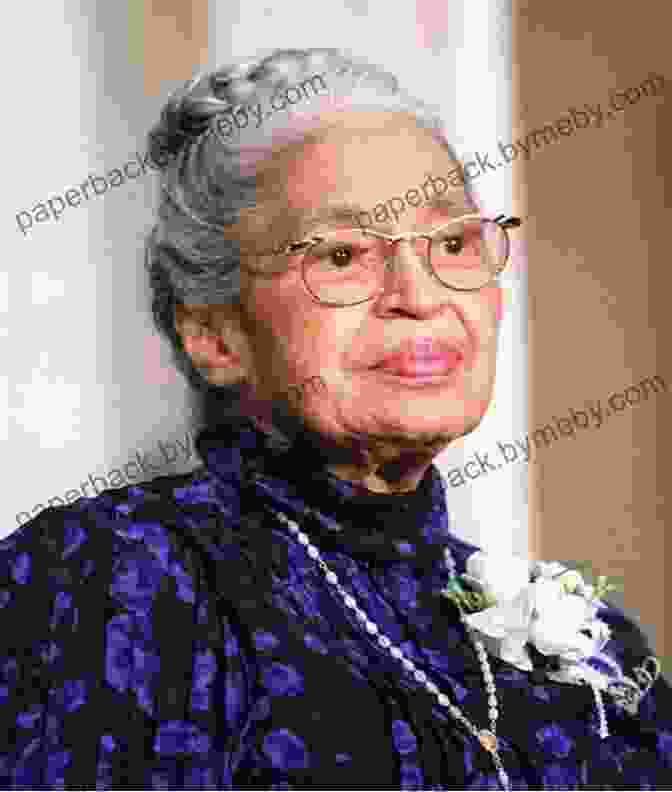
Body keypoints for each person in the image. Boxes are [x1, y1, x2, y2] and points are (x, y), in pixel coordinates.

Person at [1, 48, 670, 791]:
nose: (421, 294)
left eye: (452, 242)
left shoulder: (595, 646)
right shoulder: (120, 573)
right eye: (345, 255)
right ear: (215, 336)